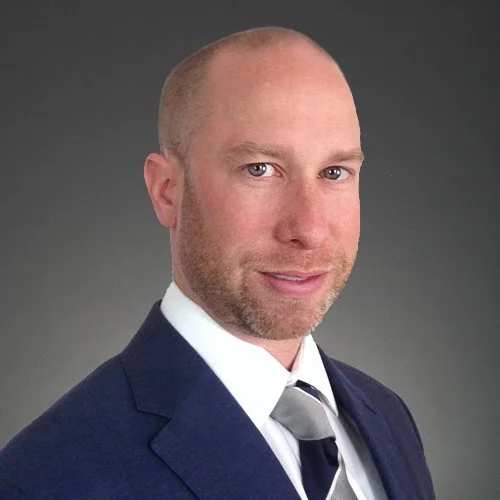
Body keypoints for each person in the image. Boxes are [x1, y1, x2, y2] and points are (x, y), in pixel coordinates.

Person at [0, 27, 435, 499]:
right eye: (260, 169)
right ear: (167, 191)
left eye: (334, 172)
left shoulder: (388, 417)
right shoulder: (41, 481)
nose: (309, 229)